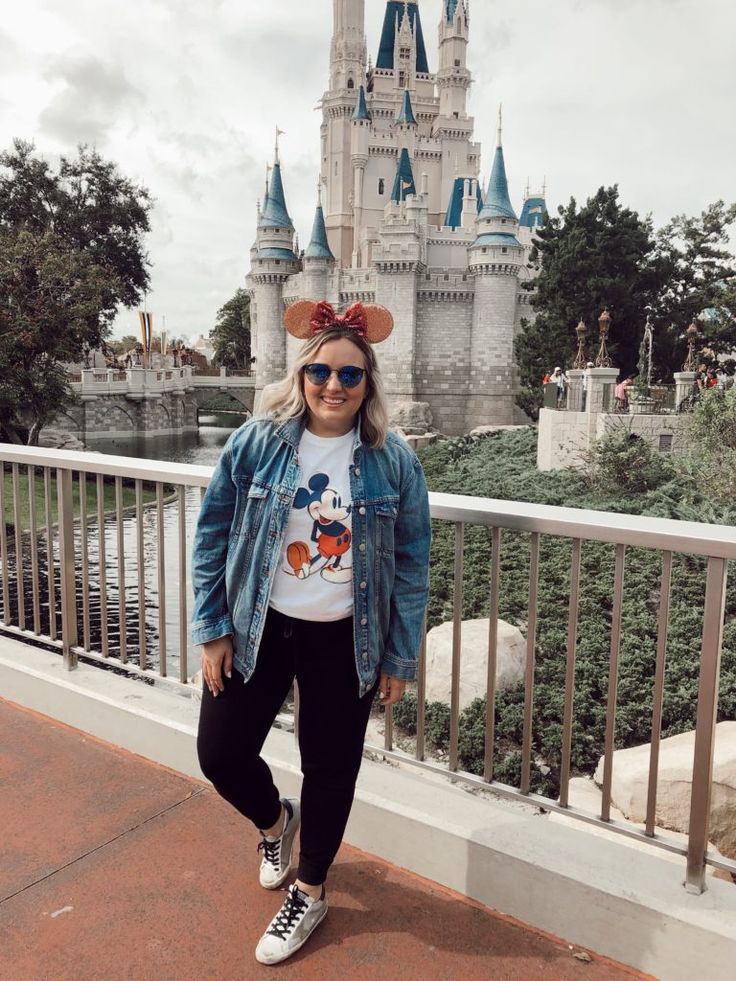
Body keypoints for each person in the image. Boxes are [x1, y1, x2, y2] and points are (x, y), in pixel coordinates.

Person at [191, 299, 432, 966]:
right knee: (220, 752)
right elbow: (211, 531)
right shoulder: (257, 441)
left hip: (345, 639)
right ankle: (276, 820)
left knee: (331, 764)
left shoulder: (394, 463)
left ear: (368, 384)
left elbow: (412, 563)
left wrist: (398, 652)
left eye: (350, 376)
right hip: (258, 626)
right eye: (321, 371)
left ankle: (311, 886)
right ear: (301, 376)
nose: (333, 386)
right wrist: (212, 627)